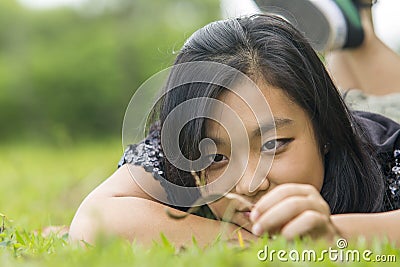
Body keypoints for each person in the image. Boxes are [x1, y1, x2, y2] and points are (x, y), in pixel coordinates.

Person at [69, 3, 400, 247]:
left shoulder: (385, 154)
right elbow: (95, 219)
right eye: (217, 158)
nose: (249, 184)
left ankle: (358, 30)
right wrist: (267, 247)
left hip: (378, 116)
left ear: (325, 131)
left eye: (273, 145)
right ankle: (350, 23)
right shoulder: (187, 143)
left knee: (380, 95)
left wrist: (335, 235)